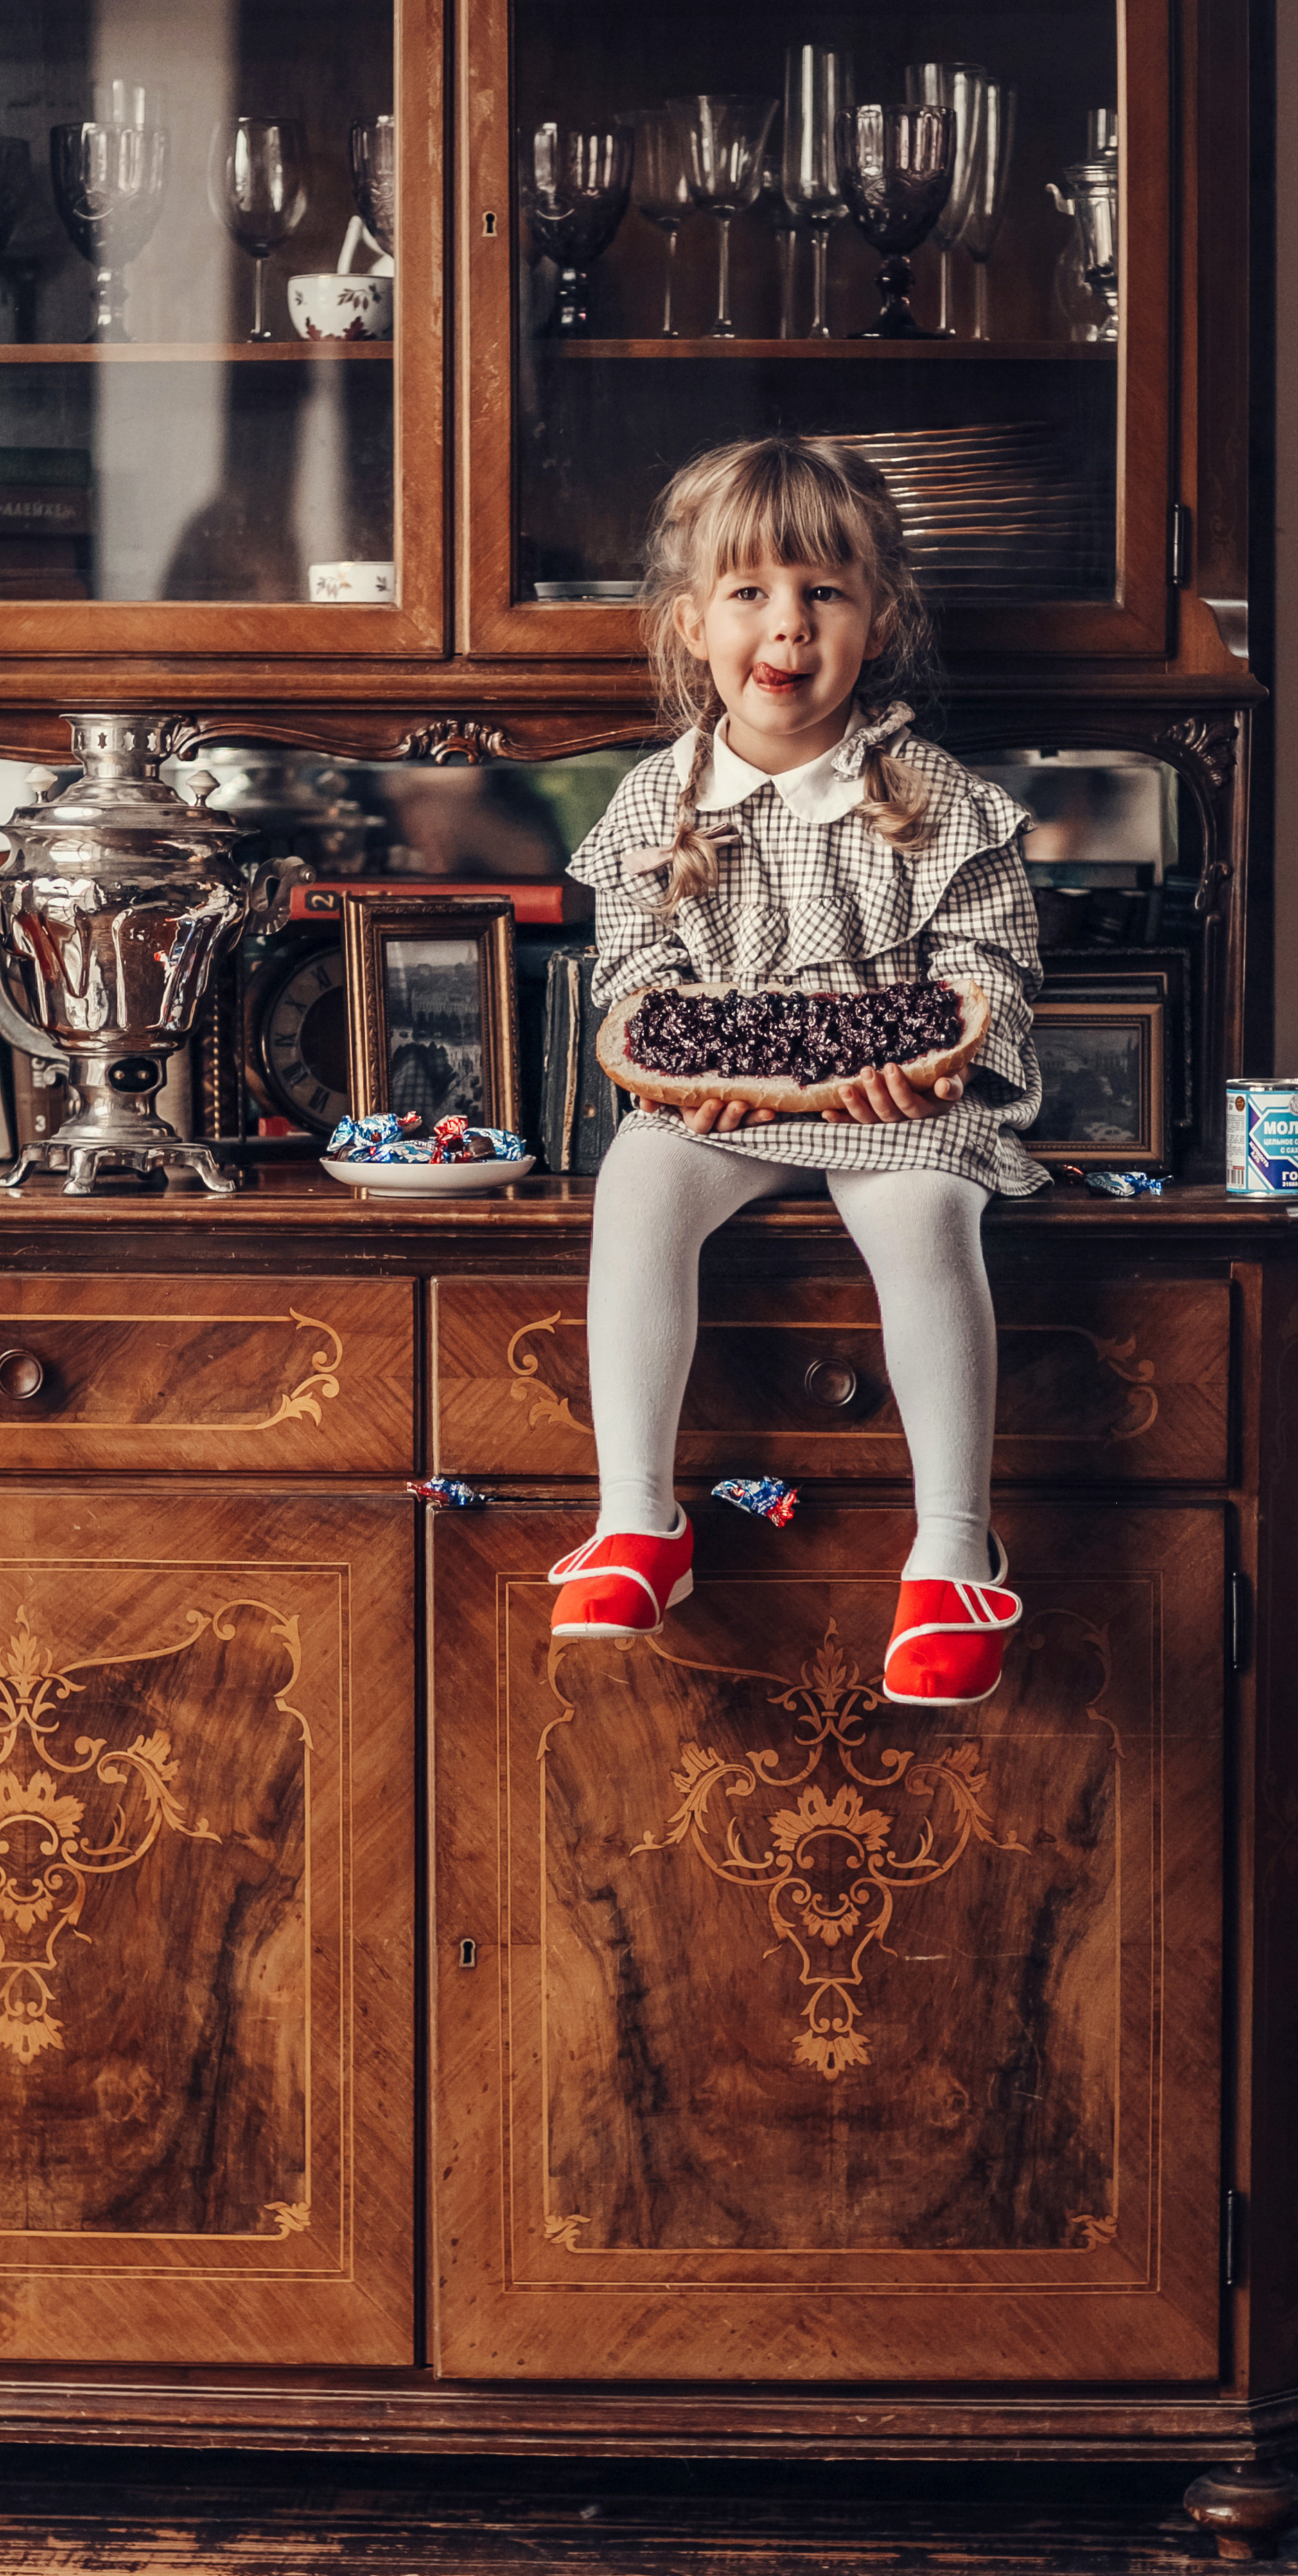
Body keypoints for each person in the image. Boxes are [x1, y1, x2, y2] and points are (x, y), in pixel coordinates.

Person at [547, 435, 1045, 1705]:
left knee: (926, 1211)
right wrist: (674, 1073)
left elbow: (989, 974)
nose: (788, 624)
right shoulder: (656, 803)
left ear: (877, 623)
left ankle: (953, 1550)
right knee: (641, 1185)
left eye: (824, 592)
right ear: (690, 624)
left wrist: (930, 1063)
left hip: (905, 1104)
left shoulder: (939, 799)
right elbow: (632, 985)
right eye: (751, 592)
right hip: (720, 1109)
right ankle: (639, 1520)